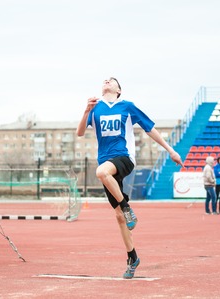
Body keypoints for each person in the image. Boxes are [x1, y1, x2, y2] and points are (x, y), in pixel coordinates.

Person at [76, 77, 183, 279]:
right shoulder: (96, 108)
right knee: (118, 218)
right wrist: (86, 111)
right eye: (104, 80)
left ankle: (127, 208)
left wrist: (171, 150)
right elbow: (80, 133)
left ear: (119, 90)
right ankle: (132, 257)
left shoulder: (127, 106)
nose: (107, 81)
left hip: (124, 157)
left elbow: (149, 129)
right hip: (106, 162)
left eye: (111, 80)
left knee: (101, 173)